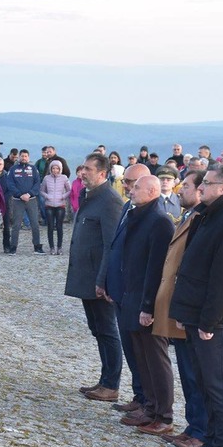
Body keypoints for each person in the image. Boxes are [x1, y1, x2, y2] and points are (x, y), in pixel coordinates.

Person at [169, 164, 223, 447]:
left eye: (208, 184)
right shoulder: (208, 215)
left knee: (218, 384)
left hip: (215, 319)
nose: (201, 188)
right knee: (203, 381)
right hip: (196, 313)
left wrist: (208, 320)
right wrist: (184, 312)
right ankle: (209, 443)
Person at [105, 175, 175, 435]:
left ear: (153, 191)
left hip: (147, 301)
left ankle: (163, 414)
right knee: (141, 357)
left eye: (136, 187)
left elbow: (156, 268)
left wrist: (148, 306)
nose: (130, 191)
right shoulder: (137, 215)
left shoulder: (159, 221)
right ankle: (149, 406)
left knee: (155, 358)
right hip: (130, 295)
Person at [152, 169, 208, 447]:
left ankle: (200, 429)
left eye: (185, 186)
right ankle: (192, 426)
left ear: (201, 190)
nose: (178, 190)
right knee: (186, 370)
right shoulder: (189, 216)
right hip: (176, 303)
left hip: (188, 306)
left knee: (194, 372)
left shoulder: (201, 219)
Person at [66, 153, 124, 402]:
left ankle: (111, 384)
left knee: (107, 330)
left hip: (98, 280)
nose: (82, 173)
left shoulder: (110, 200)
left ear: (102, 173)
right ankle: (104, 381)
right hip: (86, 276)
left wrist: (103, 281)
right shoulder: (88, 196)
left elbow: (111, 245)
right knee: (97, 329)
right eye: (82, 168)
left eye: (88, 169)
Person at [5, 150, 44, 254]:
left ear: (28, 157)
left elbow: (37, 183)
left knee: (35, 224)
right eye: (22, 156)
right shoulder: (13, 169)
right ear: (19, 157)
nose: (24, 158)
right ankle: (13, 247)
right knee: (16, 225)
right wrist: (19, 194)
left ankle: (37, 246)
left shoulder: (33, 169)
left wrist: (29, 194)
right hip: (18, 200)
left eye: (26, 156)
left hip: (31, 200)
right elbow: (10, 184)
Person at [40, 159, 70, 255]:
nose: (55, 170)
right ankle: (52, 247)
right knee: (50, 226)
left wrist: (63, 196)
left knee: (59, 227)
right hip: (49, 205)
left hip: (60, 205)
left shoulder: (64, 178)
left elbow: (69, 190)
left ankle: (59, 247)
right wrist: (47, 196)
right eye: (53, 168)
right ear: (51, 169)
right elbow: (41, 190)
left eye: (57, 168)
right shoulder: (46, 178)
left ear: (60, 169)